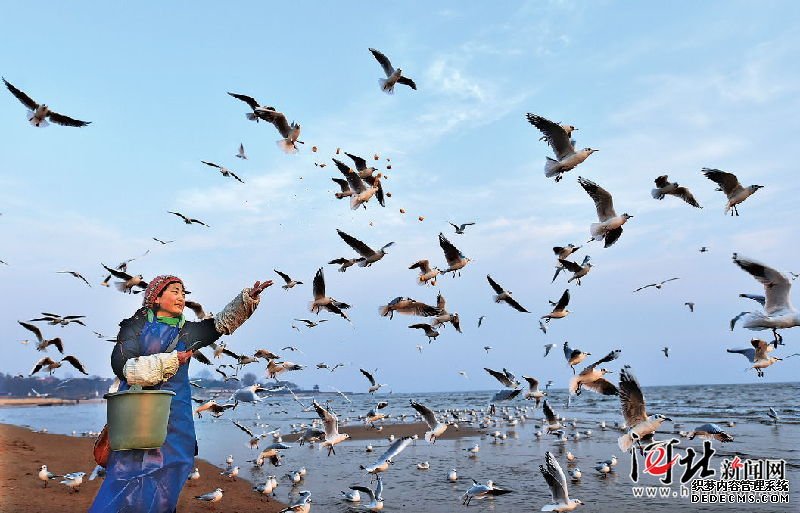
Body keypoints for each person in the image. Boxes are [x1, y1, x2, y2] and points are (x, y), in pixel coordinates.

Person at [89, 275, 272, 513]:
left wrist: (247, 299)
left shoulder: (186, 332)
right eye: (175, 291)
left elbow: (219, 325)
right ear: (156, 297)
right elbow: (122, 366)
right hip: (137, 415)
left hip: (175, 416)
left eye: (184, 293)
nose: (181, 297)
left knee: (172, 471)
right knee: (128, 474)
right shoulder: (135, 325)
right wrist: (171, 360)